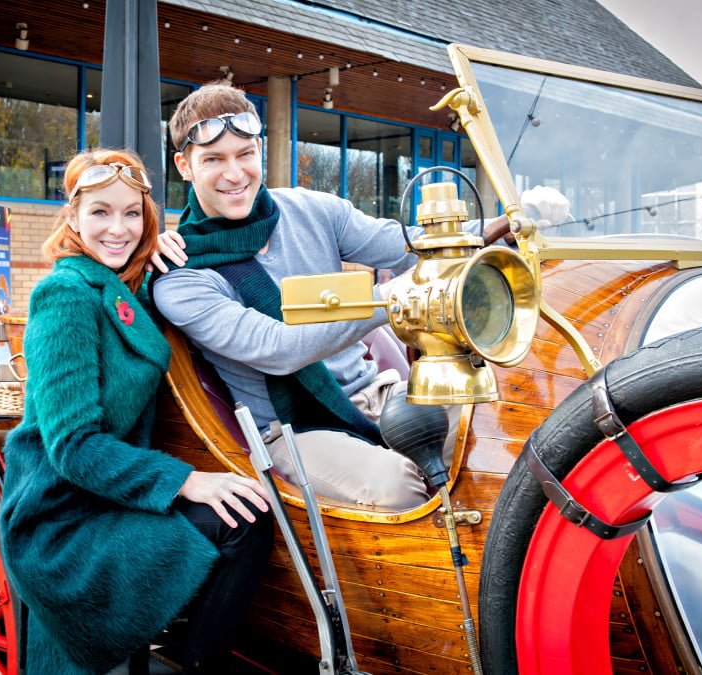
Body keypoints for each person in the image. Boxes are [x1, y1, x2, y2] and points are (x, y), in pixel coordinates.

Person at [153, 84, 490, 511]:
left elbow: (409, 245)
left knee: (485, 427)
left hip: (376, 393)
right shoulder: (181, 275)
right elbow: (280, 349)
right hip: (290, 429)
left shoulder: (312, 209)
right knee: (395, 486)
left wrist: (506, 226)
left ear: (259, 151)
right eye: (213, 159)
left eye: (244, 154)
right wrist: (389, 298)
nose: (235, 174)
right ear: (184, 165)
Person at [0, 148, 273, 674]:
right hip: (61, 517)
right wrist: (184, 480)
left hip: (110, 497)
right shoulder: (65, 294)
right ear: (73, 217)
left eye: (131, 213)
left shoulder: (126, 283)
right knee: (242, 519)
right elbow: (73, 447)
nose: (117, 228)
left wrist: (175, 250)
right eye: (100, 212)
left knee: (250, 510)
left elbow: (148, 306)